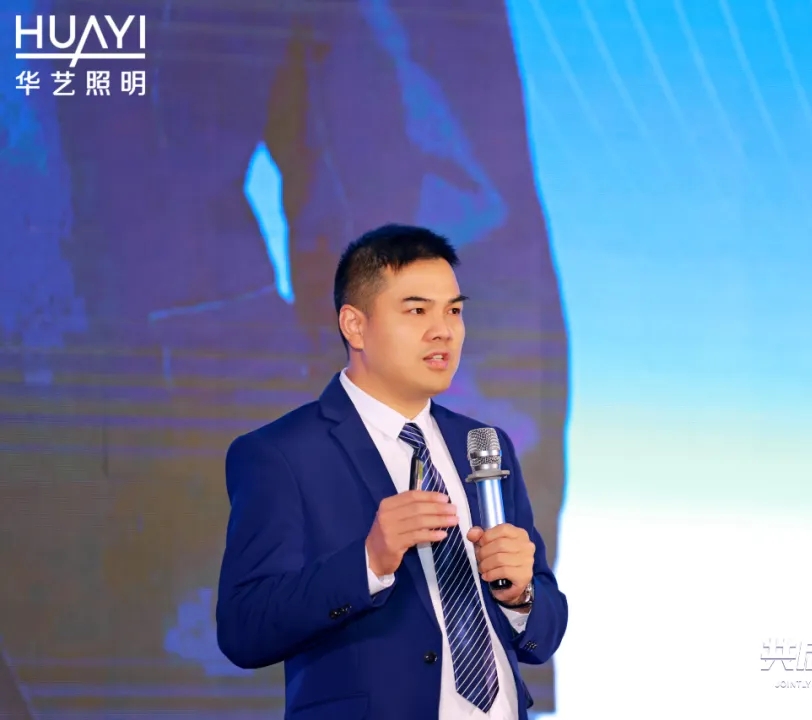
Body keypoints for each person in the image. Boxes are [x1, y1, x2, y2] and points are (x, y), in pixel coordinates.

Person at [215, 224, 568, 719]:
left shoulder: (484, 445)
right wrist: (369, 561)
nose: (443, 330)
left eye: (454, 311)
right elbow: (244, 629)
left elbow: (544, 635)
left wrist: (521, 595)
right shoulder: (281, 454)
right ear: (354, 326)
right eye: (417, 311)